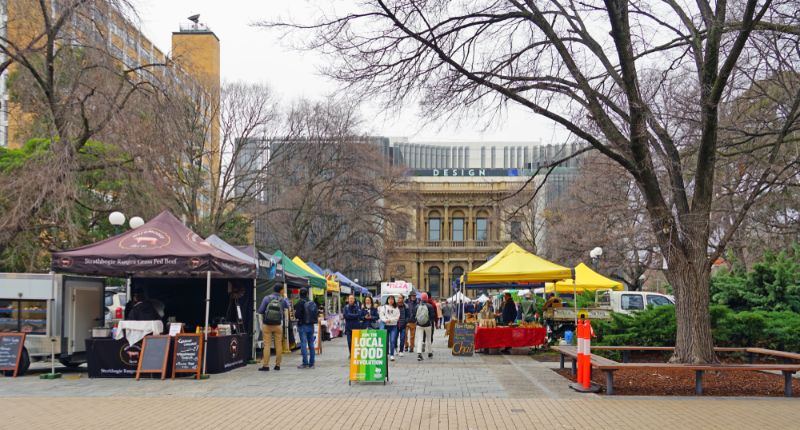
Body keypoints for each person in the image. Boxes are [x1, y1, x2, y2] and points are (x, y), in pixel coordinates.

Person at [257, 284, 290, 371]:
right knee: (278, 345)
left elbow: (260, 311)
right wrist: (286, 297)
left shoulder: (266, 298)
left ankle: (266, 366)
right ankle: (277, 365)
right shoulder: (282, 300)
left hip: (267, 325)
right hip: (278, 325)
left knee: (267, 345)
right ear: (281, 291)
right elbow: (288, 306)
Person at [293, 288, 318, 369]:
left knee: (303, 344)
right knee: (311, 344)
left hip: (303, 325)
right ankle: (312, 363)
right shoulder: (312, 302)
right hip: (311, 325)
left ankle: (305, 363)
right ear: (307, 294)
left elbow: (297, 315)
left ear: (300, 294)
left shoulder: (300, 303)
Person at [414, 293, 436, 361]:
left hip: (419, 325)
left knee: (420, 339)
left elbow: (414, 315)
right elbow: (433, 316)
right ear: (426, 298)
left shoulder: (417, 306)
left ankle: (419, 354)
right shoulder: (430, 306)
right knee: (429, 339)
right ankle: (430, 353)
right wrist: (430, 321)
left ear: (421, 298)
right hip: (428, 325)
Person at [379, 295, 400, 361]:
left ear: (394, 300)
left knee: (392, 340)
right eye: (389, 299)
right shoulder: (384, 307)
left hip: (393, 326)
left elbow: (397, 317)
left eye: (392, 299)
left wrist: (391, 320)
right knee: (385, 341)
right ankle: (385, 353)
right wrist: (385, 320)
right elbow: (381, 315)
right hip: (386, 325)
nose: (391, 300)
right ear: (387, 300)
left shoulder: (396, 308)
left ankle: (392, 354)